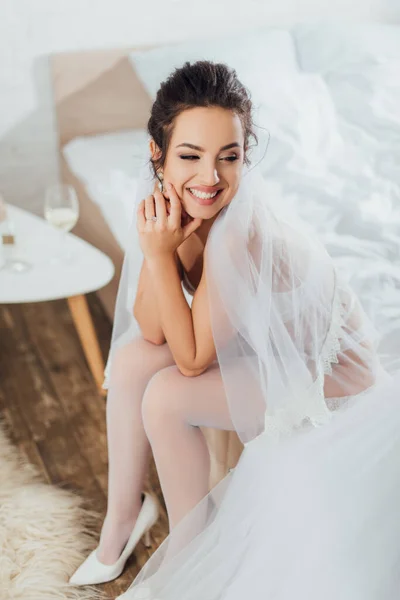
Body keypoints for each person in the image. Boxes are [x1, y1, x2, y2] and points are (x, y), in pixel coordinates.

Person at [70, 60, 400, 599]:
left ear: (247, 158)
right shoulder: (172, 208)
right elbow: (153, 332)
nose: (210, 177)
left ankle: (189, 549)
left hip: (332, 377)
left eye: (230, 157)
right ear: (158, 153)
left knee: (167, 398)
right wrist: (164, 247)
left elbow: (194, 358)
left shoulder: (236, 230)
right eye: (190, 156)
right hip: (266, 349)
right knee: (133, 361)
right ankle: (123, 520)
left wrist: (159, 254)